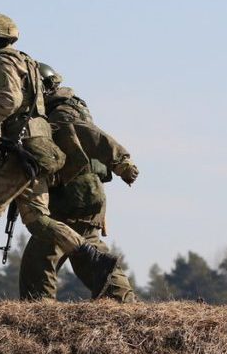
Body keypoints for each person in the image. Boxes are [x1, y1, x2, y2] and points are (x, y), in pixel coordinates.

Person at [0, 14, 122, 303]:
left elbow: (9, 101)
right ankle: (94, 258)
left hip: (21, 152)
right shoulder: (27, 62)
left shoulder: (2, 61)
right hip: (38, 150)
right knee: (38, 221)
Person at [18, 63, 140, 302]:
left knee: (42, 255)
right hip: (82, 193)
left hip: (75, 195)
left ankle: (37, 310)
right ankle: (123, 301)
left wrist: (122, 163)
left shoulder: (61, 113)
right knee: (86, 249)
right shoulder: (61, 109)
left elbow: (92, 136)